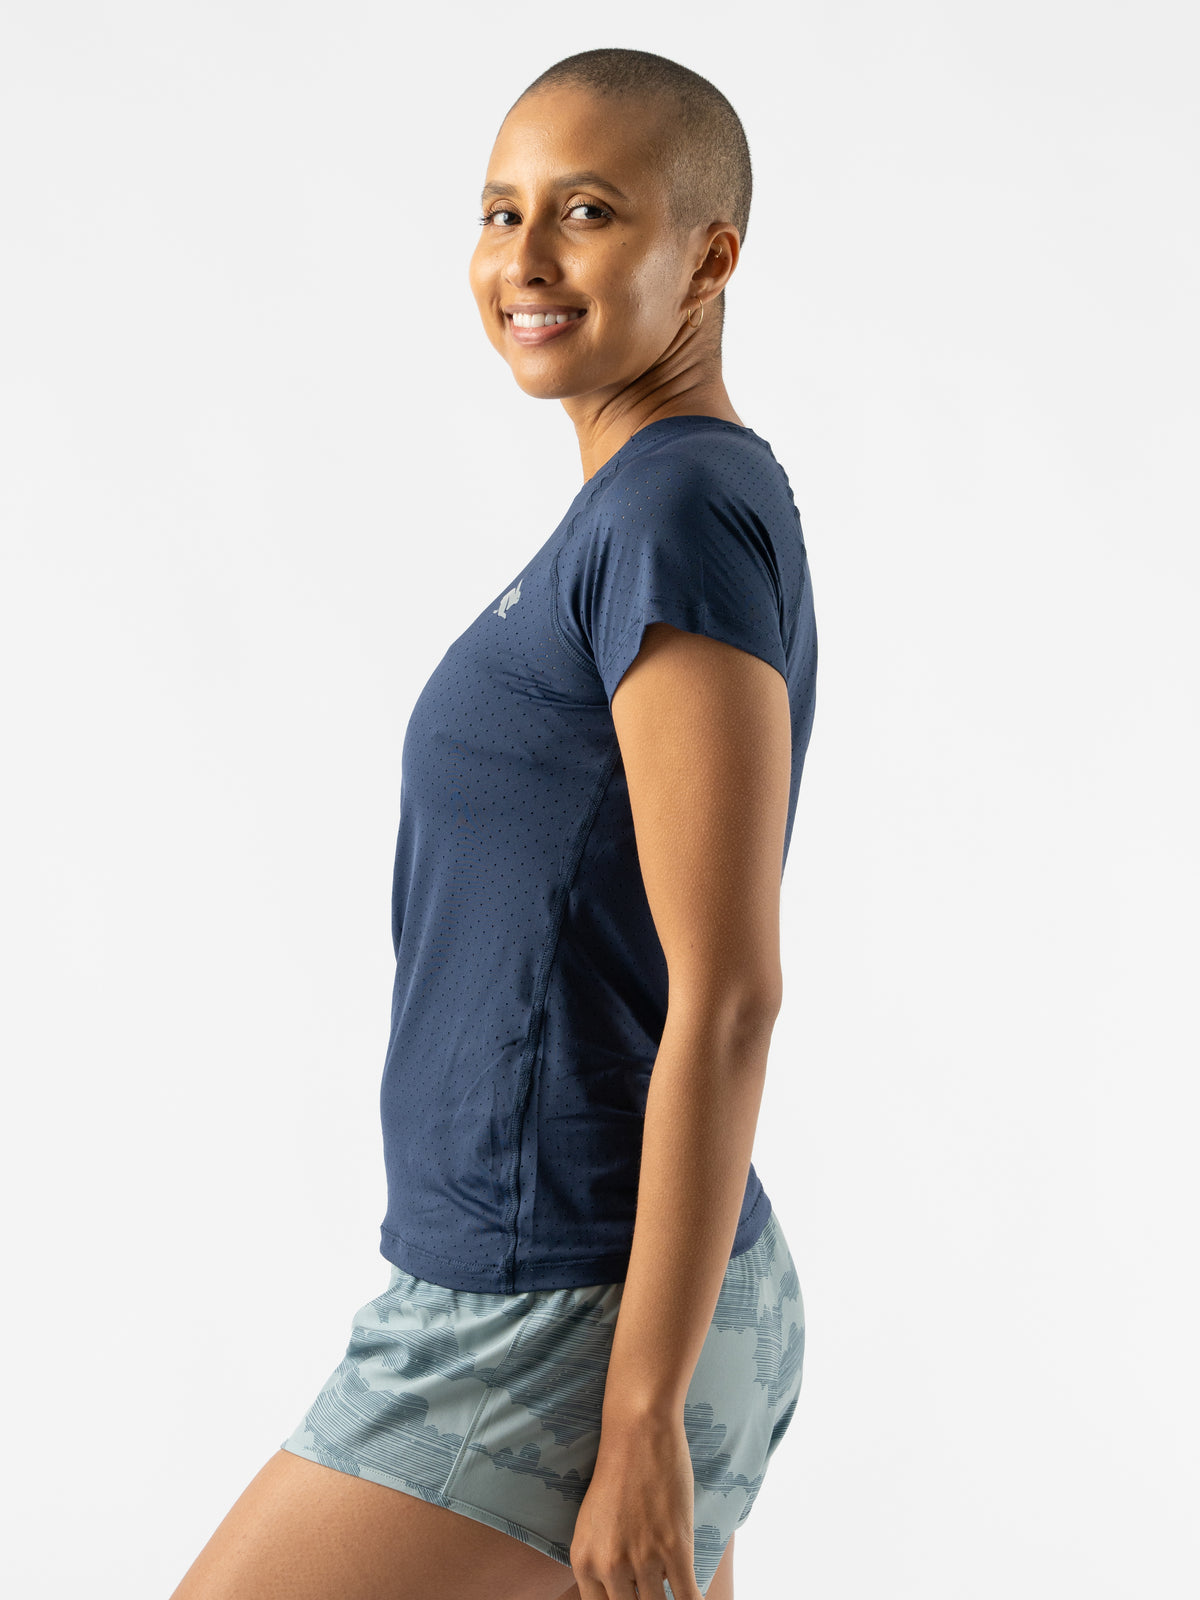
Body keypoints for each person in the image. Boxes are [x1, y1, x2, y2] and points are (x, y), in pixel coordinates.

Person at [170, 46, 817, 1600]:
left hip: (558, 1316)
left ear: (708, 257)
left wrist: (641, 1413)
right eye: (498, 210)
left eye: (585, 211)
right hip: (582, 1288)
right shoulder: (649, 507)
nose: (523, 257)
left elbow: (730, 989)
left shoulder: (671, 513)